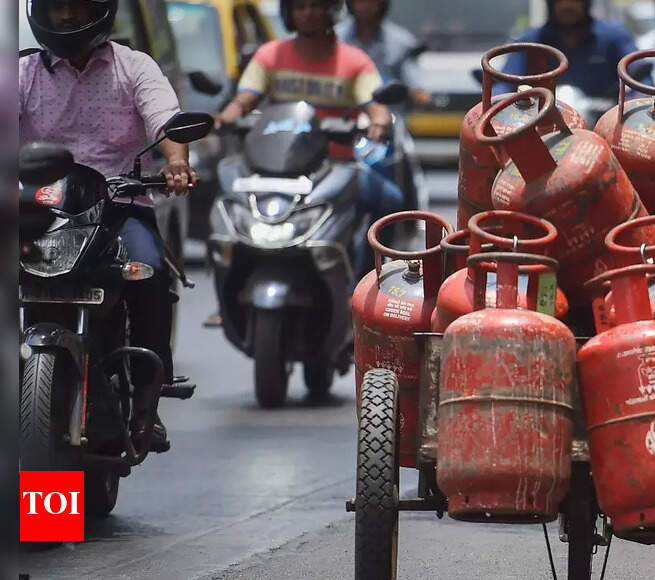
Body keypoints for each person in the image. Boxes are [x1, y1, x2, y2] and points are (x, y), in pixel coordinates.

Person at [20, 0, 198, 450]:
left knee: (149, 273)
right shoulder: (20, 74)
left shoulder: (134, 67)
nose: (65, 17)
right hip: (41, 212)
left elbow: (167, 122)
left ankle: (146, 403)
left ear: (99, 10)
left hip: (119, 207)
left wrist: (176, 163)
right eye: (56, 8)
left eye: (76, 7)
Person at [215, 0, 402, 279]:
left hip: (335, 167)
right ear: (288, 12)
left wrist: (379, 120)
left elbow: (375, 105)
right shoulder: (270, 55)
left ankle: (367, 281)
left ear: (332, 10)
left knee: (390, 202)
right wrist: (227, 115)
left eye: (316, 6)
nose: (308, 13)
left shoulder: (355, 61)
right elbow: (244, 99)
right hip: (275, 168)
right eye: (300, 7)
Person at [493, 0, 639, 98]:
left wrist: (634, 100)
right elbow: (505, 85)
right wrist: (496, 100)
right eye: (560, 0)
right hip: (542, 125)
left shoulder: (614, 36)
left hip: (601, 127)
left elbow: (639, 76)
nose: (567, 5)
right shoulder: (530, 41)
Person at [335, 0, 432, 107]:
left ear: (383, 4)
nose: (365, 6)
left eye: (372, 2)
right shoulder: (335, 38)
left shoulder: (402, 42)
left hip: (390, 113)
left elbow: (419, 92)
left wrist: (411, 94)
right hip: (344, 113)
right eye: (360, 1)